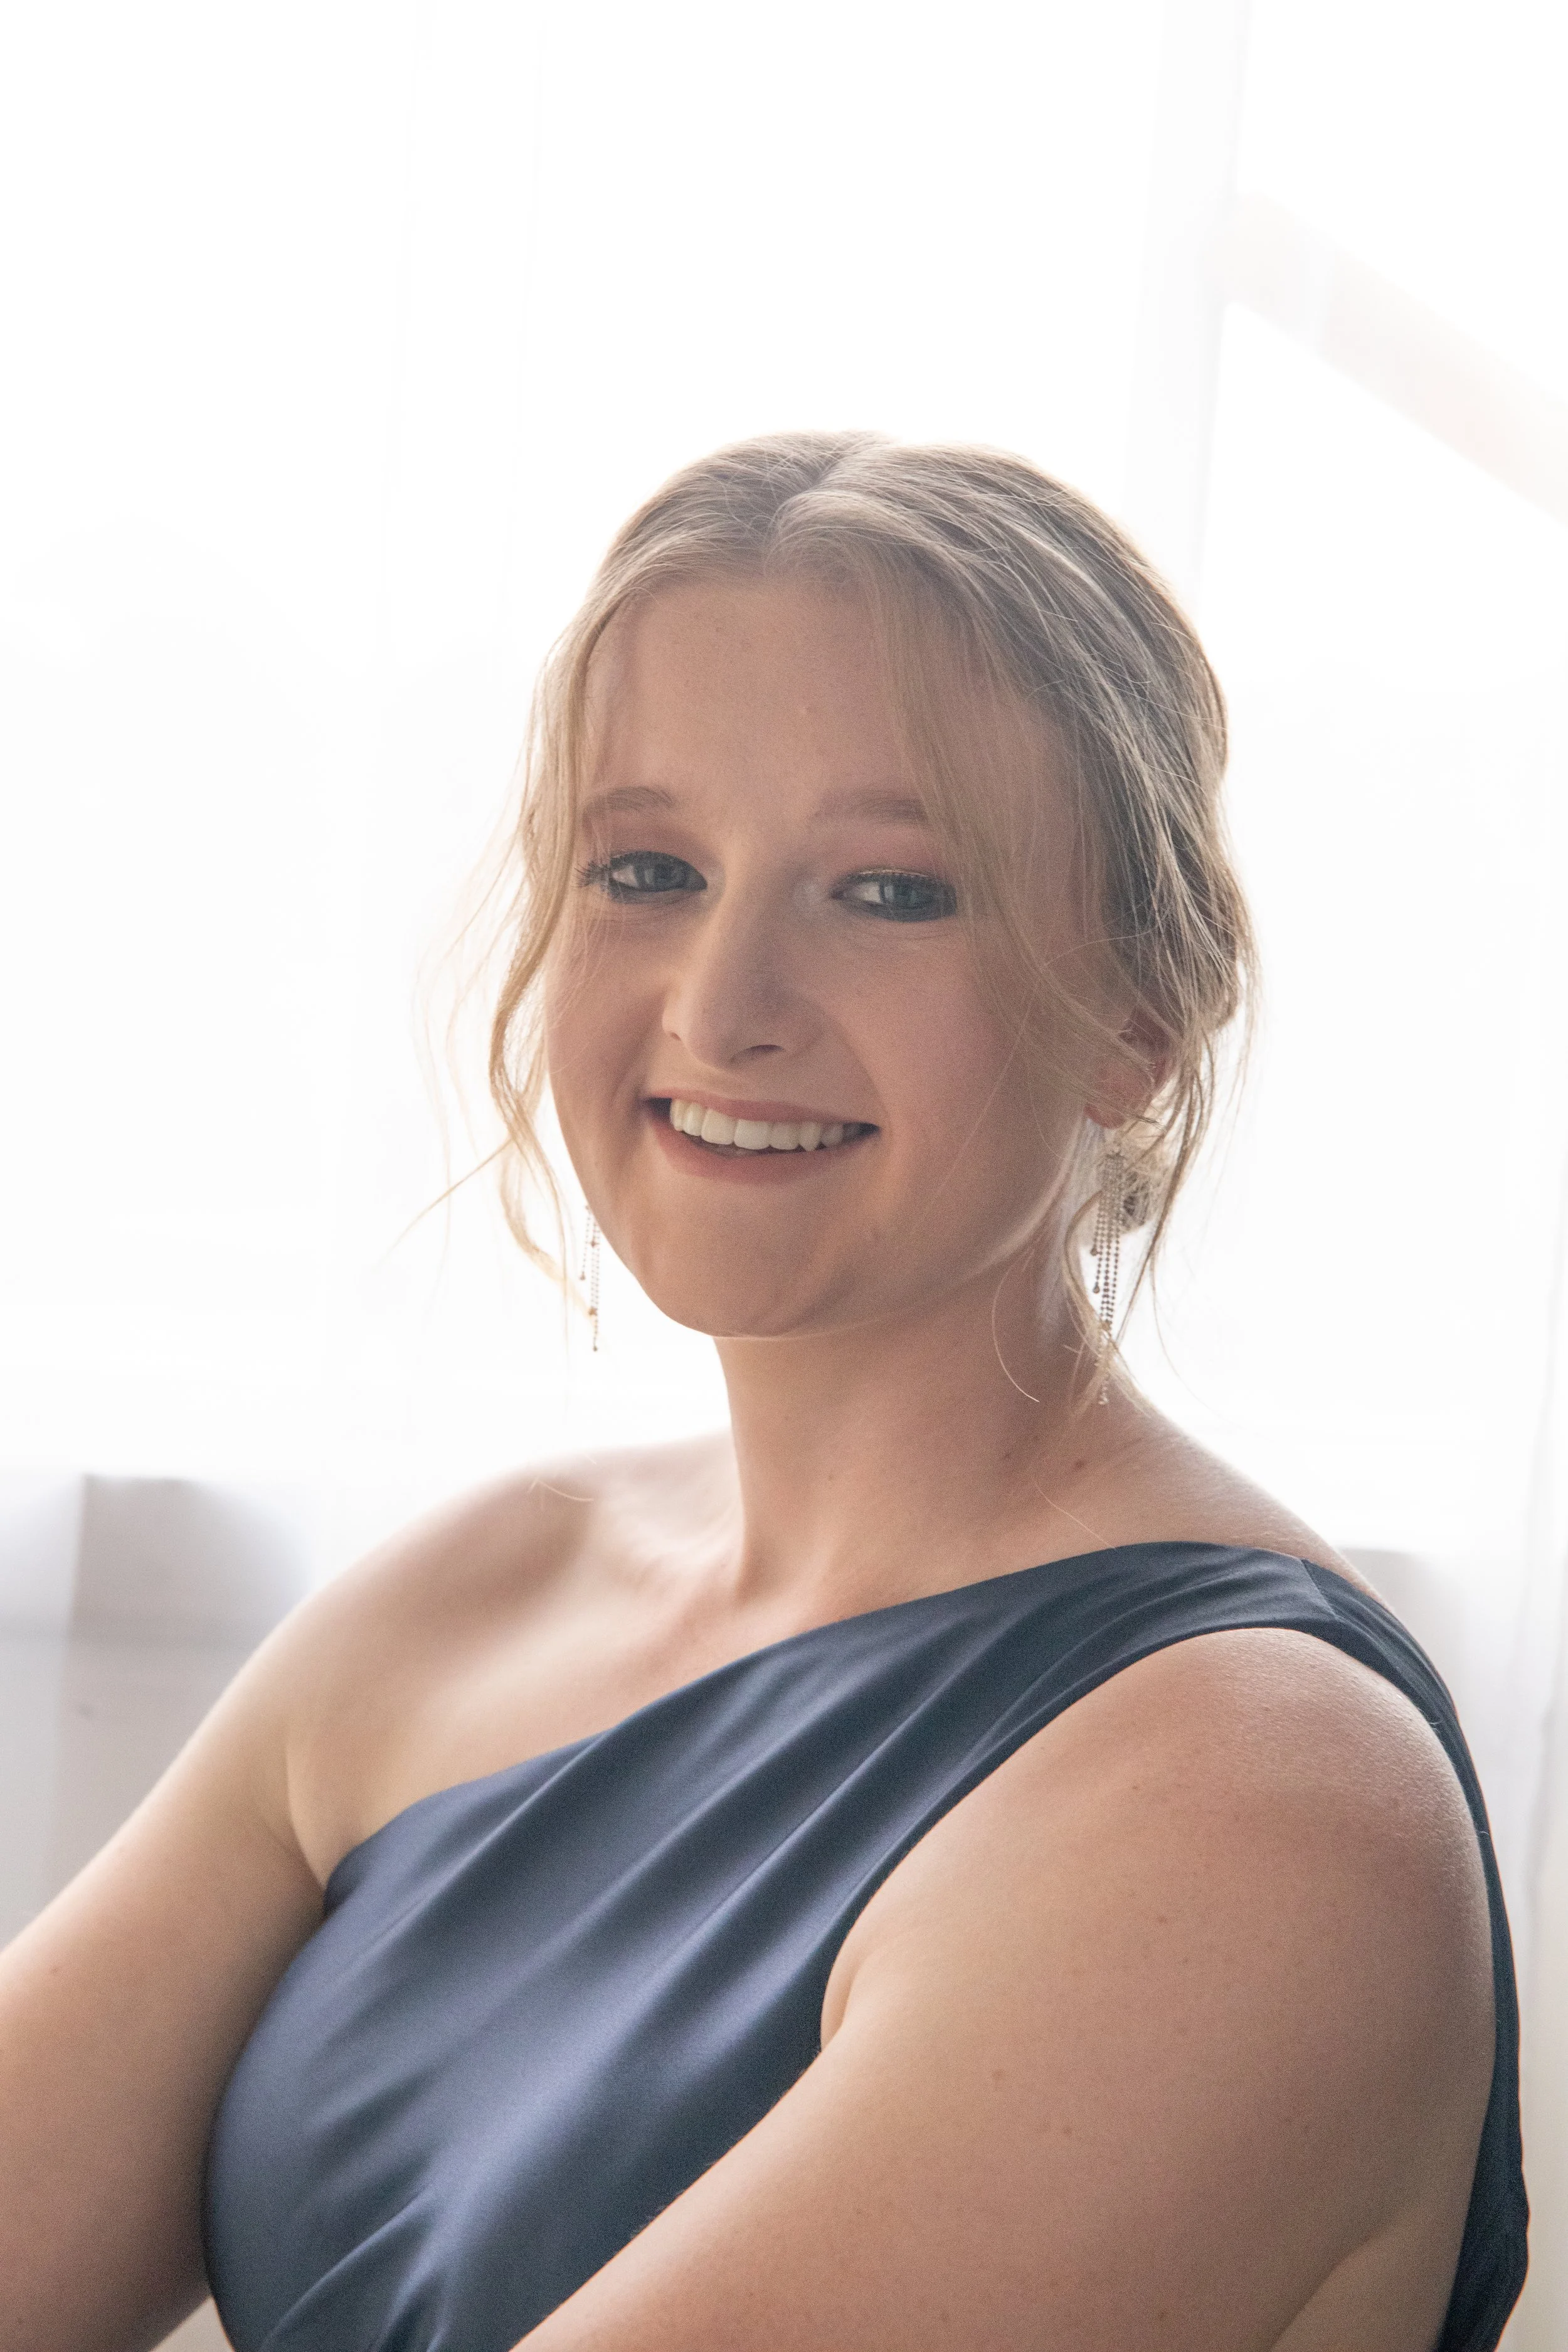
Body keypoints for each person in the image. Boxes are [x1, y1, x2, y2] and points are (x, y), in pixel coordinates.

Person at [0, 433, 1525, 2352]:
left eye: (887, 891)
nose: (722, 1004)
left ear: (1140, 1011)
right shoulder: (471, 1592)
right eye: (646, 868)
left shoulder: (1259, 1802)